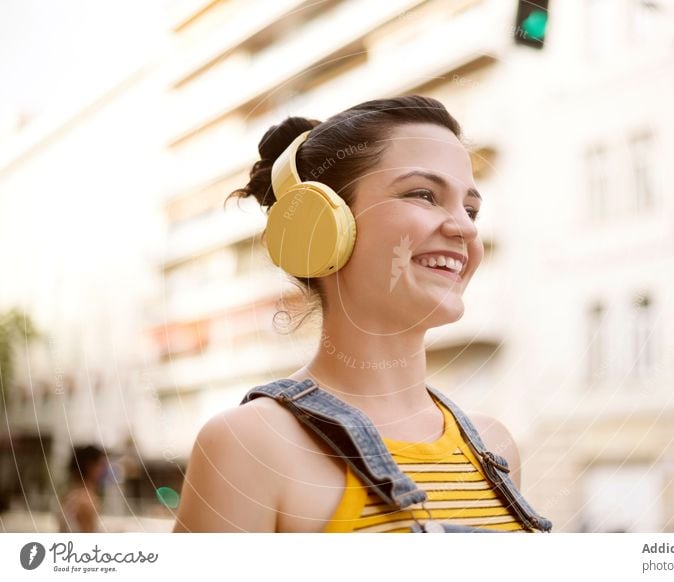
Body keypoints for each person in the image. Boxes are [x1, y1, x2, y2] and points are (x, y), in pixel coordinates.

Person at [173, 95, 550, 533]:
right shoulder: (251, 446)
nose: (465, 227)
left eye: (471, 209)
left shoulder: (494, 447)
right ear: (320, 227)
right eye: (424, 195)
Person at [57, 444, 108, 533]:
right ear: (90, 467)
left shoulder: (69, 496)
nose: (105, 470)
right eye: (101, 465)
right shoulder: (85, 502)